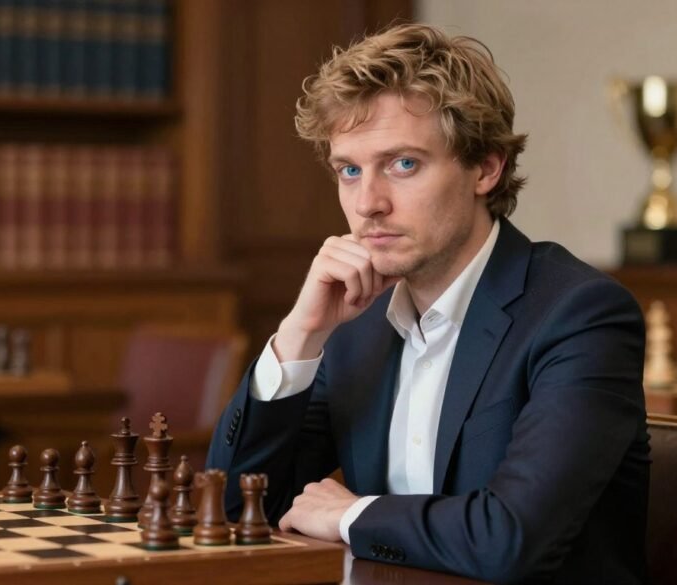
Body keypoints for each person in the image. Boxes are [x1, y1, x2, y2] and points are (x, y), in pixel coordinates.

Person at [206, 23, 649, 584]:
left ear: (486, 168)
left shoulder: (581, 315)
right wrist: (299, 336)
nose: (368, 203)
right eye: (349, 170)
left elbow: (512, 539)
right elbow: (230, 509)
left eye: (403, 164)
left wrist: (350, 514)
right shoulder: (355, 328)